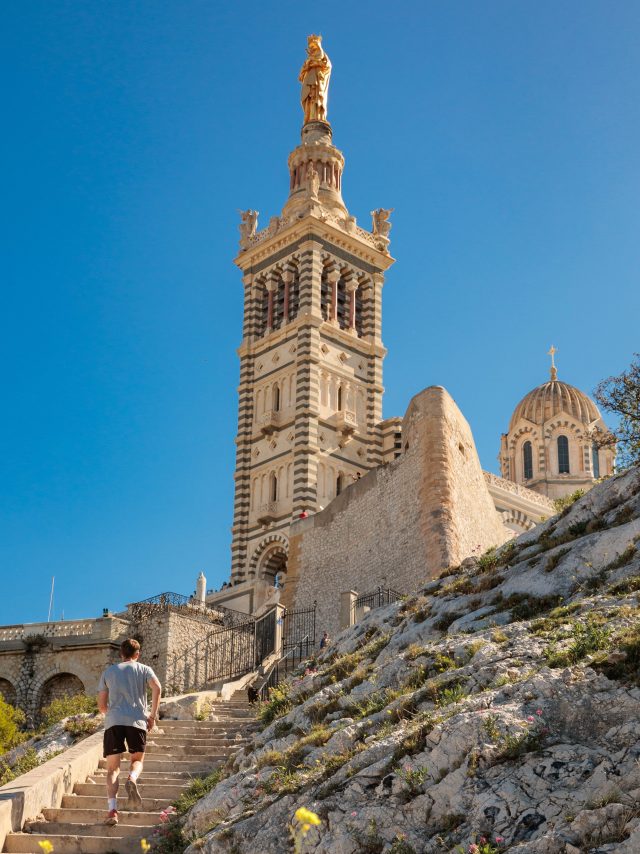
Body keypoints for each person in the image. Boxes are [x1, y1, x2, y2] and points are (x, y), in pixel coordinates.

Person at [97, 638, 162, 826]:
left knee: (112, 768)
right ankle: (132, 778)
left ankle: (112, 811)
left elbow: (101, 706)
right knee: (137, 761)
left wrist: (111, 713)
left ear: (121, 654)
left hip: (114, 722)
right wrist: (152, 715)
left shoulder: (108, 672)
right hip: (137, 721)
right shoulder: (144, 669)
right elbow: (157, 688)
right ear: (137, 654)